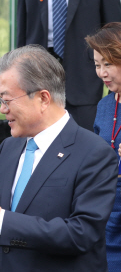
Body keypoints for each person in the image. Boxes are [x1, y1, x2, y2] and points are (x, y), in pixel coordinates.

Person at [0, 45, 119, 272]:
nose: (2, 110)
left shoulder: (94, 152)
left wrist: (3, 220)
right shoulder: (9, 147)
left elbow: (81, 234)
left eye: (6, 100)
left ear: (43, 98)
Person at [16, 0, 121, 131]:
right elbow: (22, 33)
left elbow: (115, 32)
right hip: (40, 78)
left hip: (86, 79)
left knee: (86, 147)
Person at [86, 22, 121, 271]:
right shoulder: (104, 106)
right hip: (106, 211)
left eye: (108, 64)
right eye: (98, 65)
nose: (101, 73)